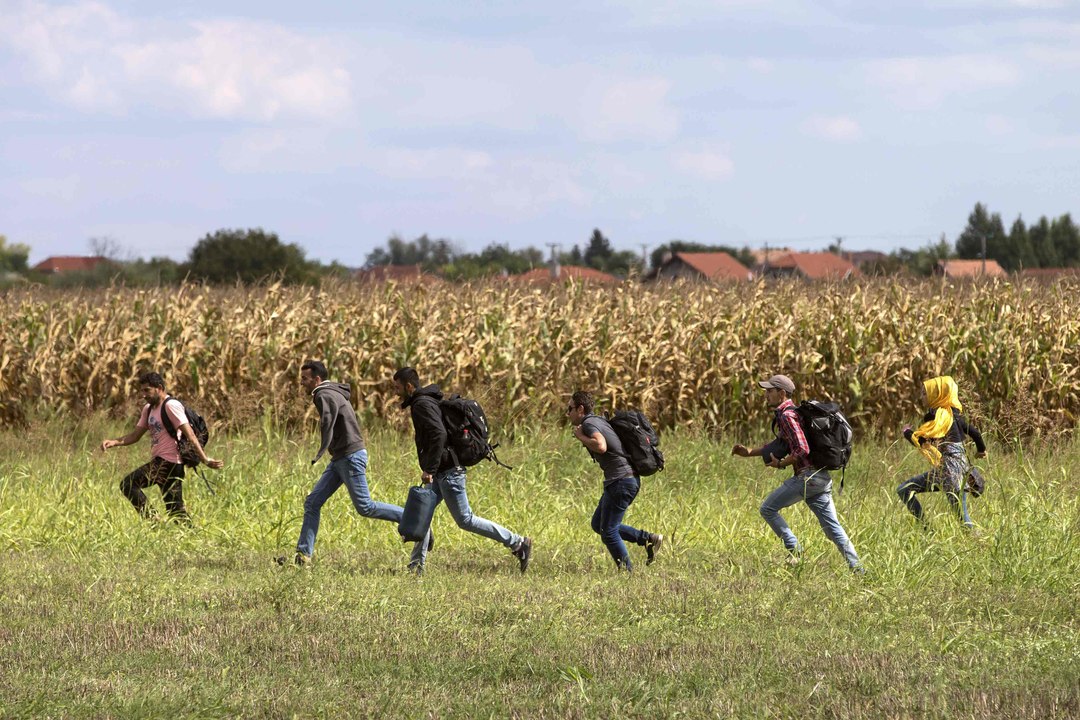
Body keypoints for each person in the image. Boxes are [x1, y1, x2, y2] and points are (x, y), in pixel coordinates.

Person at [278, 360, 431, 568]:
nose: (301, 383)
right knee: (313, 502)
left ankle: (417, 522)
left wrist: (321, 448)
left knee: (365, 507)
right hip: (342, 457)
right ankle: (303, 556)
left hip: (349, 457)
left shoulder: (323, 394)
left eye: (304, 379)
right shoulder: (332, 391)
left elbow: (328, 419)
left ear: (317, 379)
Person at [392, 367, 532, 573]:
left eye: (397, 387)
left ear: (409, 386)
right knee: (424, 513)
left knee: (465, 519)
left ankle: (518, 543)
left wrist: (429, 468)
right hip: (442, 471)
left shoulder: (421, 404)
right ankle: (415, 567)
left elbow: (438, 434)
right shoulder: (426, 401)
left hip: (448, 472)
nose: (395, 392)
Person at [732, 374, 862, 571]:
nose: (766, 395)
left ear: (782, 393)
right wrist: (749, 453)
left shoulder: (787, 416)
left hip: (807, 477)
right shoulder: (795, 413)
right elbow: (780, 443)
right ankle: (858, 569)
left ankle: (795, 551)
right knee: (832, 529)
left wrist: (781, 464)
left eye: (770, 391)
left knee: (767, 509)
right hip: (820, 478)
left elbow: (802, 449)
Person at [100, 371, 223, 523]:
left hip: (170, 463)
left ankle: (154, 522)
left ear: (159, 388)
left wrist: (204, 459)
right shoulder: (148, 409)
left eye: (147, 390)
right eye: (142, 391)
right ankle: (188, 536)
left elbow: (190, 434)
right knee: (176, 511)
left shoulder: (171, 405)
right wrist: (114, 442)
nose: (143, 395)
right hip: (163, 462)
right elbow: (135, 435)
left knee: (129, 484)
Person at [568, 391, 662, 572]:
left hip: (621, 481)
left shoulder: (588, 424)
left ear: (580, 409)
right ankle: (648, 539)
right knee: (598, 524)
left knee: (609, 532)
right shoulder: (598, 420)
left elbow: (601, 445)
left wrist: (581, 437)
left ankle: (627, 573)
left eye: (569, 408)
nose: (568, 413)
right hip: (624, 480)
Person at [897, 375, 986, 529]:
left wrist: (906, 432)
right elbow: (975, 433)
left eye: (925, 393)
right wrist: (981, 450)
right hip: (958, 470)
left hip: (950, 474)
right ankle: (926, 528)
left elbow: (921, 442)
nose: (922, 397)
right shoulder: (954, 416)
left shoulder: (936, 419)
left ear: (937, 394)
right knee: (905, 489)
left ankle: (927, 528)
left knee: (962, 517)